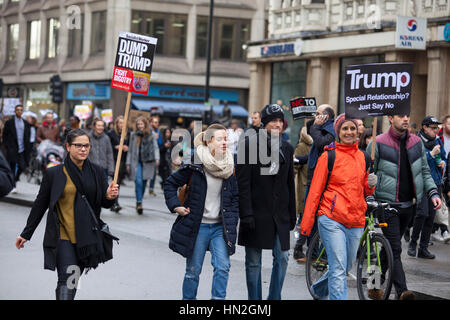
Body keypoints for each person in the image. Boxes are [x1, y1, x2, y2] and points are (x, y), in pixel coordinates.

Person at [15, 129, 119, 300]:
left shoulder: (98, 172)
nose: (83, 149)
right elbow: (40, 205)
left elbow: (104, 203)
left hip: (86, 237)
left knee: (72, 279)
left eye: (86, 146)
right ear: (68, 147)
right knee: (66, 277)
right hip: (62, 236)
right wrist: (26, 234)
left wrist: (109, 196)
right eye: (78, 145)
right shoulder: (54, 173)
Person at [300, 114, 377, 300]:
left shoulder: (364, 157)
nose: (349, 132)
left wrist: (371, 184)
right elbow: (314, 193)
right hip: (331, 218)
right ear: (338, 132)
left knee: (345, 265)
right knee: (339, 267)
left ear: (357, 131)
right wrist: (306, 225)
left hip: (356, 220)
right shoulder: (328, 156)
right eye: (345, 129)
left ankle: (318, 290)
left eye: (352, 128)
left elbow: (365, 190)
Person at [367, 114, 441, 300]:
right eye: (401, 116)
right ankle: (402, 291)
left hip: (408, 205)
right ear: (391, 118)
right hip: (386, 205)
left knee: (388, 249)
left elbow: (424, 171)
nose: (406, 119)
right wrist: (370, 183)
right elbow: (365, 172)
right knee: (395, 248)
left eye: (408, 115)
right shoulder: (378, 142)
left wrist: (433, 193)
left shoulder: (416, 142)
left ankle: (375, 281)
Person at [163, 123, 239, 300]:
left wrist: (232, 220)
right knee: (192, 271)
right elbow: (170, 184)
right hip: (198, 226)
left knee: (223, 267)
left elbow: (235, 197)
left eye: (226, 139)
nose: (224, 142)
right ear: (209, 142)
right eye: (219, 139)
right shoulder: (195, 164)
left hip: (220, 227)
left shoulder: (230, 165)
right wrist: (176, 206)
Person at [236, 104, 296, 300]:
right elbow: (242, 183)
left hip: (280, 215)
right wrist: (246, 214)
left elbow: (289, 184)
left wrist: (292, 213)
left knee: (283, 257)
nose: (278, 125)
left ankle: (274, 298)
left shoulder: (287, 148)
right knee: (253, 262)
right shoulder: (249, 145)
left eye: (280, 121)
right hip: (255, 213)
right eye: (273, 121)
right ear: (264, 124)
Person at [407, 116, 446, 259]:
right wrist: (431, 154)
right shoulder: (416, 141)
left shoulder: (437, 141)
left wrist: (442, 162)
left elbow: (443, 157)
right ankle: (412, 243)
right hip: (422, 182)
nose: (436, 131)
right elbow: (416, 161)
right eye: (433, 128)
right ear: (425, 127)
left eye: (437, 128)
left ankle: (423, 248)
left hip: (436, 181)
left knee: (430, 216)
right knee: (422, 213)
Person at [126, 116, 160, 214]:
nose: (140, 126)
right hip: (136, 162)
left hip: (148, 162)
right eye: (138, 124)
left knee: (144, 183)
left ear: (145, 124)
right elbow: (130, 150)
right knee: (138, 182)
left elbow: (155, 147)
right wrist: (128, 163)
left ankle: (139, 198)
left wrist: (157, 158)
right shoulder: (133, 135)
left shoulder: (151, 134)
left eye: (142, 124)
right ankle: (139, 202)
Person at [292, 125, 313, 262]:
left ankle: (312, 251)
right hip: (305, 187)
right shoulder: (302, 146)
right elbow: (294, 167)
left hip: (318, 188)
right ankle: (299, 248)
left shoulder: (325, 144)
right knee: (306, 221)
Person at [2, 105, 32, 193]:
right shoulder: (9, 123)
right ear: (15, 111)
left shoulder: (26, 123)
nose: (19, 111)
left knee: (23, 166)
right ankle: (13, 185)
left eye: (21, 110)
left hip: (22, 149)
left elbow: (28, 136)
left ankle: (16, 178)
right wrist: (7, 146)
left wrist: (29, 147)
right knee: (11, 167)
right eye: (18, 110)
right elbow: (5, 136)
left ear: (22, 112)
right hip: (12, 149)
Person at [107, 116, 129, 213]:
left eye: (123, 123)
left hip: (122, 160)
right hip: (113, 159)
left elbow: (129, 145)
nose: (122, 125)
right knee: (114, 182)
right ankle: (113, 202)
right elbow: (108, 147)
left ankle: (115, 201)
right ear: (116, 124)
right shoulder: (111, 134)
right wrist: (116, 147)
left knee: (118, 183)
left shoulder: (126, 134)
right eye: (120, 123)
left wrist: (126, 147)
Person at [148, 116, 163, 196]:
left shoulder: (158, 132)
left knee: (153, 173)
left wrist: (157, 138)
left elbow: (160, 143)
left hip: (154, 155)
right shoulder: (147, 131)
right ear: (151, 123)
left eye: (157, 122)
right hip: (146, 155)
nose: (157, 124)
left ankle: (151, 188)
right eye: (155, 122)